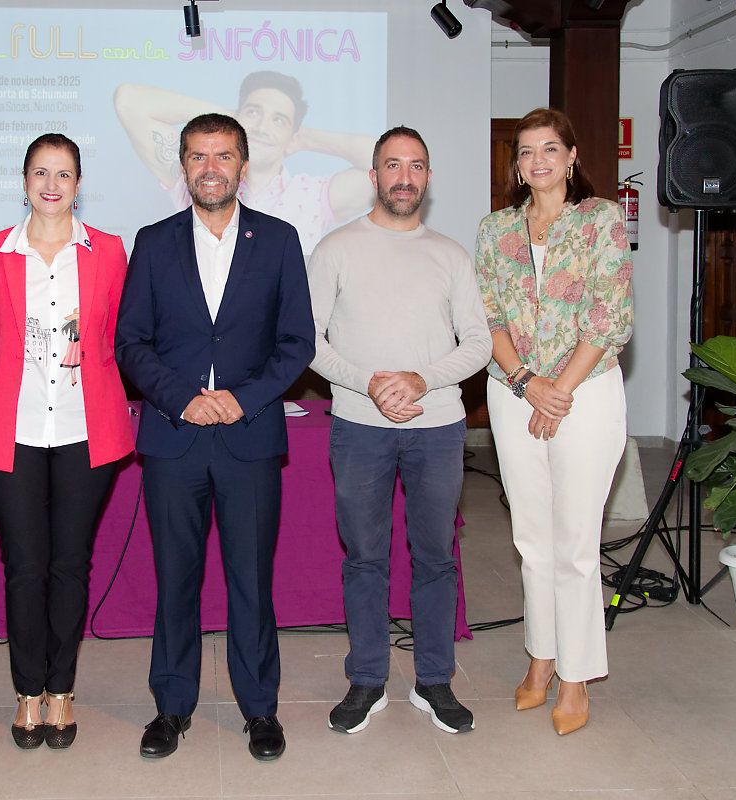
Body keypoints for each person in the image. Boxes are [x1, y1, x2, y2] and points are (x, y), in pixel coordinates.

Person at [115, 113, 315, 762]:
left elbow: (296, 344)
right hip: (174, 439)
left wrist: (242, 398)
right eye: (198, 156)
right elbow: (131, 342)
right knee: (176, 578)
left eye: (223, 156)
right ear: (183, 166)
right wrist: (180, 400)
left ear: (243, 166)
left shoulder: (280, 240)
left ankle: (260, 710)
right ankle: (171, 708)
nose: (210, 168)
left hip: (249, 436)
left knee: (251, 581)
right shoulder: (153, 241)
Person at [306, 126, 492, 737]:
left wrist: (419, 381)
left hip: (437, 427)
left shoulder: (451, 255)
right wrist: (370, 384)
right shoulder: (334, 248)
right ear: (374, 176)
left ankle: (435, 680)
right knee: (365, 558)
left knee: (436, 557)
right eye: (392, 165)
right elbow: (307, 341)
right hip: (359, 427)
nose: (404, 177)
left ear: (428, 178)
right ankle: (367, 679)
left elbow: (480, 345)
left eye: (415, 166)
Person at [0, 133, 133, 750]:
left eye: (64, 174)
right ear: (25, 180)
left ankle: (61, 690)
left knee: (70, 565)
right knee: (24, 567)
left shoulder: (109, 252)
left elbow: (116, 334)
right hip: (14, 431)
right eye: (41, 173)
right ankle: (26, 693)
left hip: (86, 431)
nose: (52, 185)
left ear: (79, 183)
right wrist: (15, 382)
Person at [474, 107, 633, 736]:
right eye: (525, 152)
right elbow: (486, 317)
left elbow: (609, 314)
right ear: (516, 166)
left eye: (549, 149)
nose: (536, 161)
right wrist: (526, 383)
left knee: (574, 545)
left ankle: (577, 677)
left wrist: (558, 391)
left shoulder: (601, 221)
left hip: (585, 393)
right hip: (515, 392)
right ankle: (539, 661)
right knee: (531, 541)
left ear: (570, 157)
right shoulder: (494, 230)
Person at [113, 71, 374, 253]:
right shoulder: (205, 177)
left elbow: (389, 160)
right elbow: (129, 100)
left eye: (279, 120)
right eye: (253, 112)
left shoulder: (315, 195)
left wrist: (305, 138)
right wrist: (230, 121)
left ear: (294, 134)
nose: (261, 127)